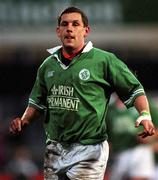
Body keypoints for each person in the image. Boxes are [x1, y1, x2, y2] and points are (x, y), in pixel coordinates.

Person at [9, 6, 155, 180]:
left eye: (75, 24)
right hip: (54, 149)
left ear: (86, 30)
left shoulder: (104, 60)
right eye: (65, 24)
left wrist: (145, 115)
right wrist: (24, 120)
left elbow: (134, 89)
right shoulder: (47, 66)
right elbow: (36, 102)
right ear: (58, 31)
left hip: (89, 148)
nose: (69, 28)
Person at [106, 94, 158, 180]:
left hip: (140, 150)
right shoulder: (109, 108)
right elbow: (106, 136)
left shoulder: (143, 103)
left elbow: (156, 128)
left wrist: (149, 135)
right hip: (118, 154)